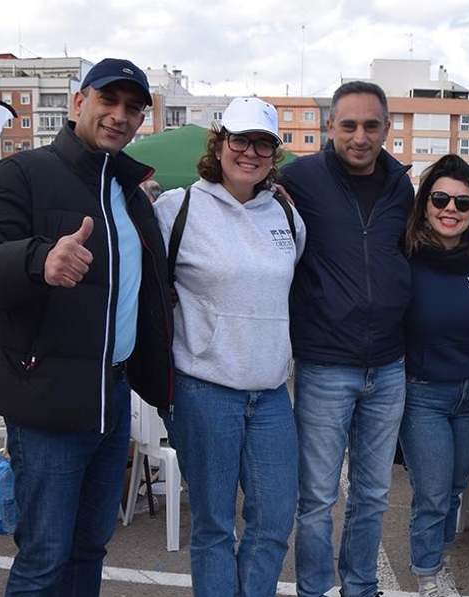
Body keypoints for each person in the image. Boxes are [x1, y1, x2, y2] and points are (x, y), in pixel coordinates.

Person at [0, 58, 175, 595]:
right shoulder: (23, 173)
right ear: (79, 103)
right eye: (108, 101)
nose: (120, 116)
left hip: (112, 398)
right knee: (45, 558)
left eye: (133, 108)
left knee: (89, 550)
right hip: (47, 402)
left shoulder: (128, 189)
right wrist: (38, 261)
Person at [152, 97, 305, 597]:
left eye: (263, 143)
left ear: (273, 154)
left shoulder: (285, 212)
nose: (250, 152)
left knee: (275, 518)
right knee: (215, 525)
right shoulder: (177, 208)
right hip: (205, 391)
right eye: (240, 139)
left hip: (270, 394)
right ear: (219, 145)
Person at [279, 81, 413, 597]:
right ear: (330, 126)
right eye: (349, 125)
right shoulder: (299, 179)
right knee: (315, 497)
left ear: (386, 127)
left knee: (374, 494)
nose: (360, 136)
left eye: (371, 125)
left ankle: (360, 586)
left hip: (389, 364)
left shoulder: (401, 185)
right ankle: (314, 589)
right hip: (324, 363)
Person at [400, 155, 469, 597]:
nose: (450, 208)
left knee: (455, 489)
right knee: (433, 494)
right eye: (440, 198)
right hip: (424, 395)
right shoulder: (407, 255)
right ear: (425, 202)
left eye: (462, 201)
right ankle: (427, 576)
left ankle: (435, 551)